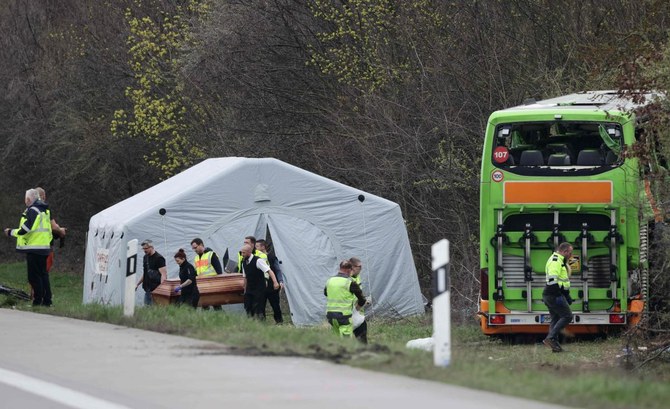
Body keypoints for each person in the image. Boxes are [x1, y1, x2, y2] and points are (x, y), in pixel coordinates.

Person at [3, 189, 53, 306]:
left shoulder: (32, 210)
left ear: (28, 199)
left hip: (35, 248)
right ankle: (47, 301)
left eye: (25, 199)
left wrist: (10, 232)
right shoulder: (44, 210)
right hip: (44, 247)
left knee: (34, 277)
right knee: (43, 275)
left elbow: (24, 230)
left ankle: (37, 301)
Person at [542, 242, 574, 352]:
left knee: (555, 319)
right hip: (552, 294)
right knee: (567, 316)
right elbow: (552, 282)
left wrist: (567, 296)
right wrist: (558, 296)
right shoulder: (555, 261)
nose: (571, 255)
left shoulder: (560, 260)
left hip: (552, 294)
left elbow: (562, 282)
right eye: (570, 253)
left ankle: (555, 347)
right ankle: (550, 338)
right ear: (565, 252)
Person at [324, 260, 366, 340]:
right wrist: (356, 309)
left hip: (330, 316)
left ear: (340, 268)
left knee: (337, 339)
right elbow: (362, 299)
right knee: (345, 341)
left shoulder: (329, 281)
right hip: (344, 317)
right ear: (349, 270)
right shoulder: (350, 282)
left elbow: (326, 293)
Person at [240, 243, 279, 319]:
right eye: (241, 252)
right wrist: (245, 289)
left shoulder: (258, 261)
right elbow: (245, 277)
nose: (242, 254)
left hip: (259, 289)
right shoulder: (244, 262)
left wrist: (275, 282)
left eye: (244, 252)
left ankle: (261, 324)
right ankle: (251, 324)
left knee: (258, 309)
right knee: (248, 307)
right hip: (249, 289)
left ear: (249, 252)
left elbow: (269, 271)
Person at [35, 187, 66, 273]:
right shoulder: (45, 209)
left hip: (32, 246)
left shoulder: (29, 210)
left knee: (35, 271)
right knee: (44, 270)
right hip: (45, 246)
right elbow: (54, 227)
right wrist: (61, 230)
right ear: (42, 196)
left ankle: (33, 286)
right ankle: (40, 286)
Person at [256, 239, 284, 324]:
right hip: (261, 286)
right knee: (260, 306)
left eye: (257, 246)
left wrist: (280, 281)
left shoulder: (272, 257)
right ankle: (262, 323)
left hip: (272, 286)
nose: (255, 249)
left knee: (275, 305)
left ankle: (279, 321)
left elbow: (277, 270)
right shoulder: (256, 258)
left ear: (263, 247)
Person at [135, 239, 167, 305]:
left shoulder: (159, 258)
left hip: (156, 289)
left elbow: (163, 275)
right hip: (147, 289)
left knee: (156, 310)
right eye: (143, 249)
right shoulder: (145, 257)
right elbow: (146, 273)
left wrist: (162, 289)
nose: (144, 250)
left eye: (146, 248)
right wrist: (137, 284)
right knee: (147, 309)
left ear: (152, 247)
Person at [349, 257, 368, 343]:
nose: (361, 269)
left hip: (357, 311)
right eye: (359, 267)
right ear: (352, 267)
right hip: (350, 312)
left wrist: (363, 301)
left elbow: (358, 293)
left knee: (362, 336)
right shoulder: (347, 279)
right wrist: (357, 306)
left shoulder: (357, 277)